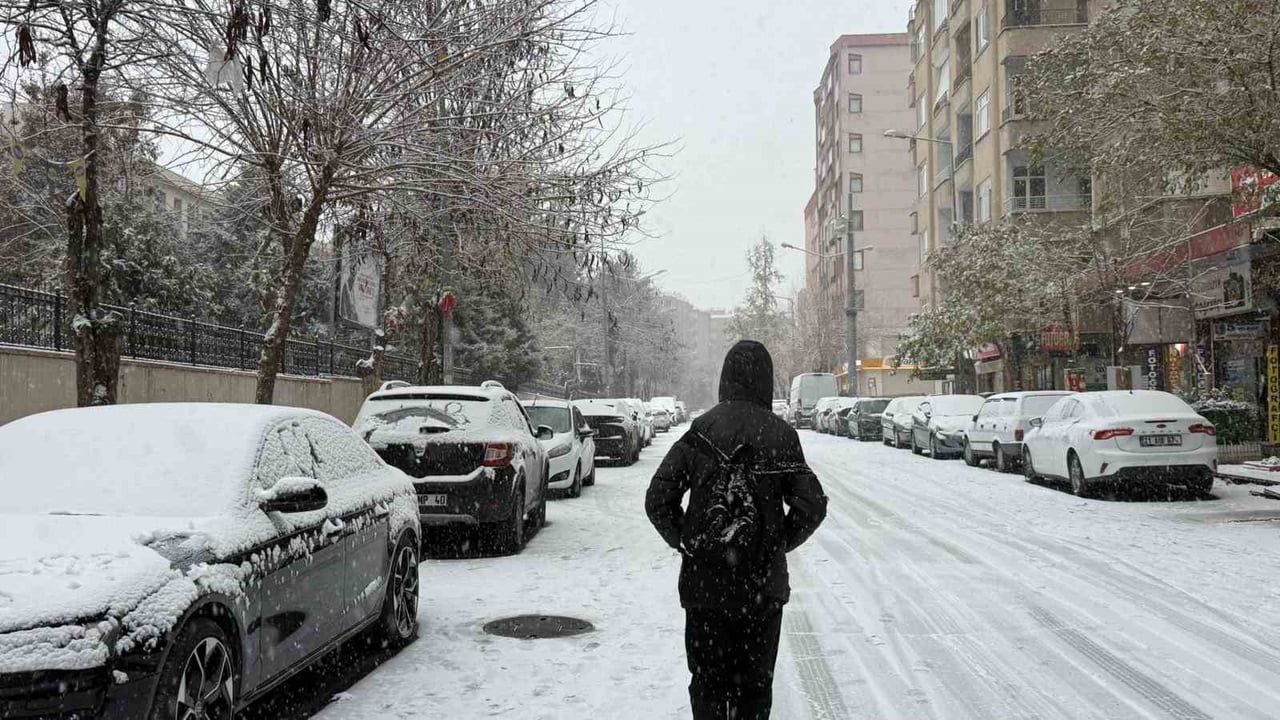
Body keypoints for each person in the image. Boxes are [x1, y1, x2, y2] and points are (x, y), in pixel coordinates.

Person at [645, 340, 828, 719]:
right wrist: (775, 542)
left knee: (708, 682)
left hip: (705, 587)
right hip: (761, 589)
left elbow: (658, 500)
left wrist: (688, 541)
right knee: (755, 688)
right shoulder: (780, 435)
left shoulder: (699, 431)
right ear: (765, 380)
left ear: (725, 378)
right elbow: (812, 505)